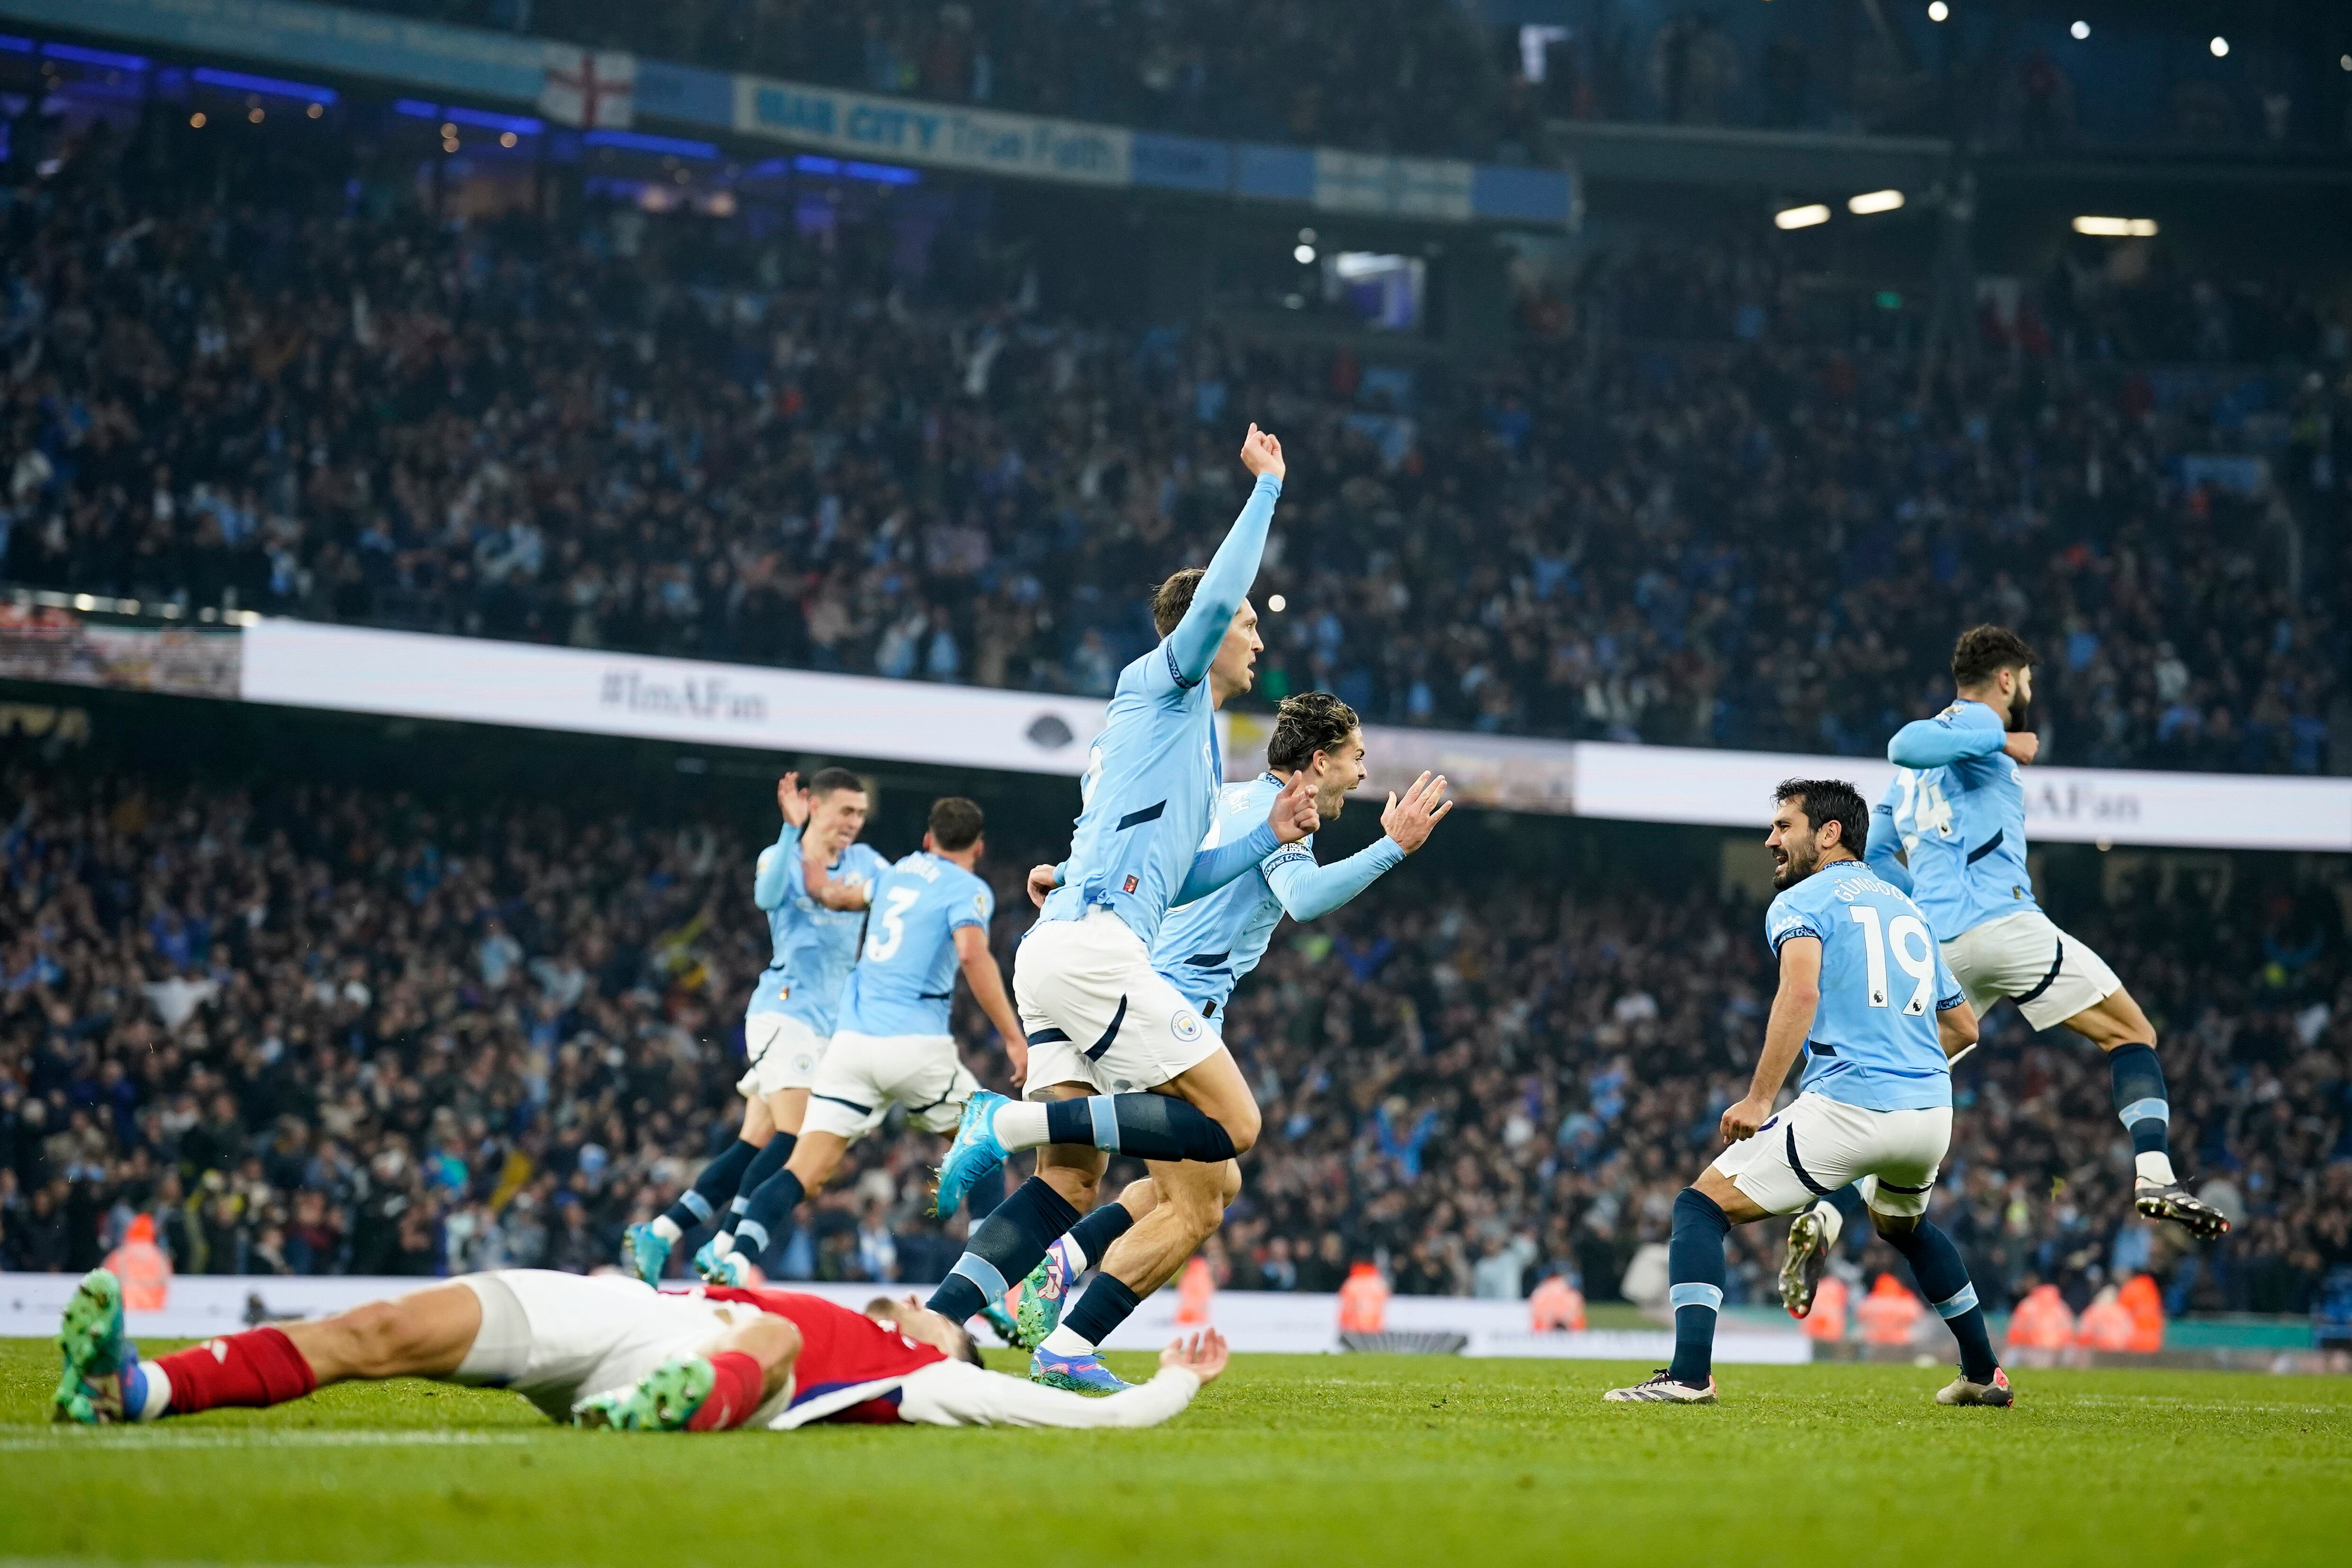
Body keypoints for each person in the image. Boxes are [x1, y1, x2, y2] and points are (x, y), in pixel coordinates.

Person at [918, 425, 1316, 1353]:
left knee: (1069, 1185)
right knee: (1234, 1124)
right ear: (1204, 632)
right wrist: (1267, 493)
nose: (1256, 640)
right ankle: (1003, 1120)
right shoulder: (1168, 682)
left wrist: (1266, 835)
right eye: (1248, 626)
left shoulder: (1186, 740)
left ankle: (934, 1327)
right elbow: (1217, 601)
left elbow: (1177, 880)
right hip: (1096, 951)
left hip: (1067, 944)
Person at [1003, 693, 1452, 1389]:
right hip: (1169, 1007)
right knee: (1199, 1201)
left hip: (1139, 989)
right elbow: (1304, 900)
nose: (1363, 776)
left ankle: (1062, 1260)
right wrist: (1394, 846)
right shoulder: (1285, 822)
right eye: (1356, 758)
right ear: (1319, 760)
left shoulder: (1225, 798)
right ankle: (1069, 1344)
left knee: (1214, 1179)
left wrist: (1064, 877)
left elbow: (1155, 861)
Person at [1779, 626, 2228, 1317]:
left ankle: (1830, 1212)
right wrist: (1999, 738)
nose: (2027, 698)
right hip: (2004, 925)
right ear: (2009, 678)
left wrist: (1919, 895)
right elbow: (1904, 740)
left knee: (1903, 1087)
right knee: (2132, 1032)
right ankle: (2154, 1173)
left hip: (1943, 948)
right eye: (2027, 682)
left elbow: (1878, 852)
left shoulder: (1912, 782)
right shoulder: (1977, 725)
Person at [1605, 779, 2011, 1407]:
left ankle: (1688, 1375)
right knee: (1905, 1230)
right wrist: (1907, 1061)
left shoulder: (1804, 900)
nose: (1771, 839)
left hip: (1849, 1103)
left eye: (1784, 826)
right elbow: (1964, 1027)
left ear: (1828, 833)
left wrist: (1760, 1099)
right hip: (1930, 1112)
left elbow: (1799, 994)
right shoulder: (1908, 910)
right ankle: (1983, 1373)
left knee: (1699, 1209)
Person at [49, 1265, 1227, 1432]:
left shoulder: (930, 1374)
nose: (922, 1302)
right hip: (631, 1315)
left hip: (719, 1366)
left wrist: (1173, 1379)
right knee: (383, 1330)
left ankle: (663, 1416)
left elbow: (1082, 1418)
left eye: (940, 1310)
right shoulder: (801, 1296)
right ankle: (129, 1386)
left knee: (759, 1334)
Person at [695, 797, 1028, 1284]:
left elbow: (832, 894)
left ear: (928, 840)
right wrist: (1012, 1037)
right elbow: (973, 955)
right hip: (915, 1046)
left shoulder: (897, 874)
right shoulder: (969, 889)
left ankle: (737, 1255)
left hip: (850, 1047)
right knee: (983, 1142)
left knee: (804, 1169)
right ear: (978, 847)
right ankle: (983, 1283)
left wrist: (807, 848)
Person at [624, 769, 887, 1285]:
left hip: (829, 1023)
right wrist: (790, 832)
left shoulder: (866, 862)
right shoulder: (780, 855)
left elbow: (889, 895)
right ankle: (728, 1244)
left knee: (754, 1142)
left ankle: (662, 1230)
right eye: (845, 812)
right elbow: (767, 898)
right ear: (814, 806)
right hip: (785, 1012)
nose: (853, 823)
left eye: (859, 814)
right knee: (799, 1134)